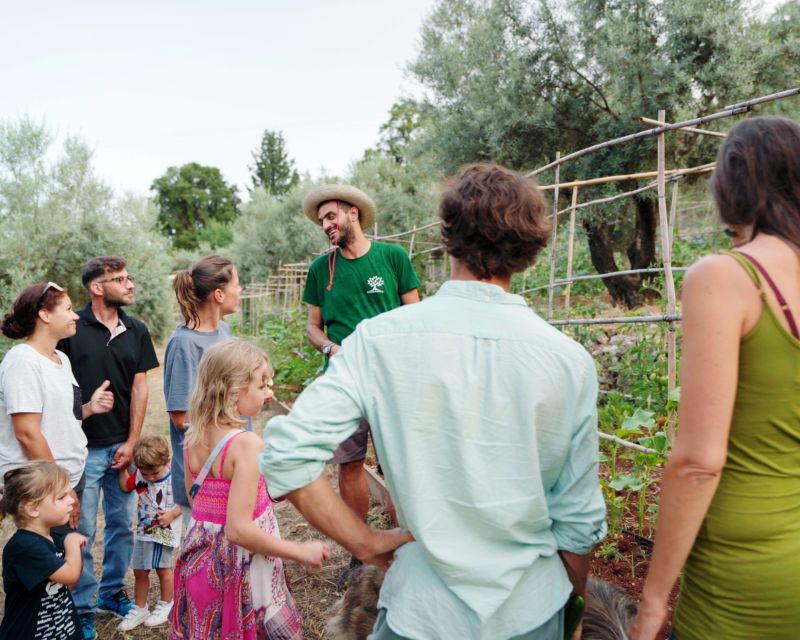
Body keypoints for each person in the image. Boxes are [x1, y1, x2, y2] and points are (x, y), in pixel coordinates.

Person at [263, 164, 607, 639]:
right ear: (529, 251)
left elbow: (286, 454)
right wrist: (570, 608)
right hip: (529, 610)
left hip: (421, 612)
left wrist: (364, 543)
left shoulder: (378, 341)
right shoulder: (569, 362)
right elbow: (579, 520)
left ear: (448, 239)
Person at [630, 117, 800, 640]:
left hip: (747, 567)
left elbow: (699, 463)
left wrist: (654, 599)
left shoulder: (728, 277)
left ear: (732, 187)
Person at [170, 338, 331, 640]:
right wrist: (300, 551)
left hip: (203, 559)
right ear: (233, 389)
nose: (270, 392)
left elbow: (199, 496)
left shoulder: (193, 436)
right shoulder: (246, 444)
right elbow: (239, 530)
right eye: (262, 385)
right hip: (242, 565)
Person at [301, 184, 420, 565]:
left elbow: (414, 316)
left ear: (354, 213)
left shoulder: (392, 257)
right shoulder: (322, 270)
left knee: (399, 464)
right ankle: (360, 552)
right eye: (322, 221)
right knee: (350, 464)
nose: (326, 225)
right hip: (345, 381)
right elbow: (313, 327)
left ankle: (408, 549)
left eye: (331, 216)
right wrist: (329, 348)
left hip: (391, 380)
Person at [58, 256, 159, 640]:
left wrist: (132, 443)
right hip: (81, 449)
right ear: (96, 288)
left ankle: (110, 593)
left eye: (129, 277)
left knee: (121, 525)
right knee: (80, 529)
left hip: (121, 448)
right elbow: (57, 388)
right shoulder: (70, 329)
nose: (130, 284)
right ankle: (81, 606)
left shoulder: (136, 329)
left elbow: (140, 386)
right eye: (119, 279)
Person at [0, 282, 114, 531]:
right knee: (55, 562)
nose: (76, 315)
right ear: (45, 315)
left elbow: (61, 418)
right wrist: (61, 488)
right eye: (69, 309)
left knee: (72, 552)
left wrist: (89, 408)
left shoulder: (60, 358)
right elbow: (27, 434)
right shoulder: (22, 361)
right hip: (46, 486)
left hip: (71, 474)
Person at [163, 254, 243, 526]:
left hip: (233, 466)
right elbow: (181, 417)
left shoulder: (225, 331)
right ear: (219, 294)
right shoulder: (183, 344)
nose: (241, 290)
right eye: (237, 284)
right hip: (204, 476)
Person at [0, 461, 88, 640]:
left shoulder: (51, 539)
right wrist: (72, 543)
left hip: (60, 628)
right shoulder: (25, 547)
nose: (71, 499)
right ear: (33, 508)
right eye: (62, 497)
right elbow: (70, 575)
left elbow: (65, 585)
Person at [116, 435, 182, 631]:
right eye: (146, 474)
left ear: (166, 461)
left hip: (164, 531)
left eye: (155, 472)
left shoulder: (173, 478)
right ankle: (140, 608)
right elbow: (126, 485)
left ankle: (166, 604)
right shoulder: (139, 474)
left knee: (163, 569)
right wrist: (122, 469)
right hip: (144, 530)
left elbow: (186, 501)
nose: (151, 477)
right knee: (140, 570)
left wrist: (171, 514)